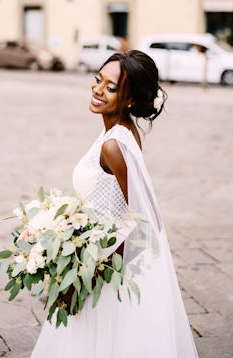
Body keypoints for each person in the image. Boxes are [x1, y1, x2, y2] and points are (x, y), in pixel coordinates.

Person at [30, 50, 199, 358]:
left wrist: (84, 280)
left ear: (130, 99)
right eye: (98, 80)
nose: (97, 90)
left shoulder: (113, 146)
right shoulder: (121, 131)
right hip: (101, 256)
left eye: (110, 88)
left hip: (106, 271)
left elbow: (146, 226)